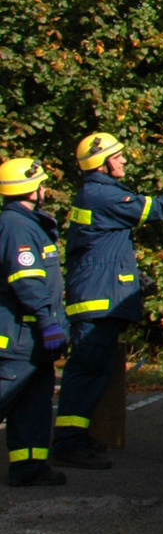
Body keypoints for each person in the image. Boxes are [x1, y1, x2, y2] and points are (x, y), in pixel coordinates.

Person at [52, 134, 163, 469]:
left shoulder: (96, 193)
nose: (124, 161)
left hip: (98, 296)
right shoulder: (102, 194)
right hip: (96, 302)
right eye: (117, 157)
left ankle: (75, 437)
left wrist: (133, 279)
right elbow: (158, 210)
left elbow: (103, 249)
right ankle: (68, 443)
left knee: (93, 372)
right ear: (100, 163)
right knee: (86, 372)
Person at [0, 158, 69, 486]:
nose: (45, 188)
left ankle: (29, 468)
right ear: (31, 189)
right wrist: (47, 321)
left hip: (33, 338)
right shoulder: (17, 227)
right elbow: (26, 280)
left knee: (33, 407)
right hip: (19, 338)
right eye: (41, 183)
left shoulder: (30, 223)